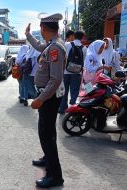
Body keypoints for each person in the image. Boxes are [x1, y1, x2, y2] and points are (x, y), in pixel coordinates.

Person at [25, 13, 66, 188]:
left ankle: (55, 176)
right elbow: (40, 46)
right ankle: (47, 158)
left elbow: (55, 79)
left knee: (46, 135)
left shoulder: (55, 48)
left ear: (43, 28)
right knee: (48, 132)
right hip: (49, 97)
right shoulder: (52, 45)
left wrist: (40, 99)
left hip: (48, 98)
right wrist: (28, 35)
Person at [58, 31, 87, 114]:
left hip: (65, 72)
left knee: (64, 91)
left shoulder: (67, 45)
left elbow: (62, 58)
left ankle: (62, 109)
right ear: (82, 38)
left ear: (74, 36)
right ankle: (74, 110)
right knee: (75, 92)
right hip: (77, 73)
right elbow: (84, 61)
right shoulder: (84, 48)